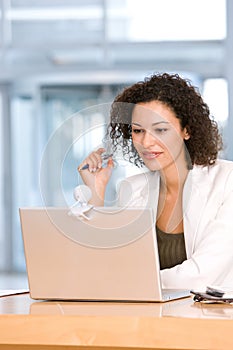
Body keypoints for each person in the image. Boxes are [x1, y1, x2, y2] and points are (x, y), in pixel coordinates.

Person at [78, 72, 233, 290]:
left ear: (186, 130)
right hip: (148, 321)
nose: (146, 142)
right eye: (138, 131)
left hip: (210, 320)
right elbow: (106, 267)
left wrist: (129, 280)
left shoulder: (227, 182)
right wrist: (95, 194)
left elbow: (202, 277)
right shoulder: (132, 189)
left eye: (160, 129)